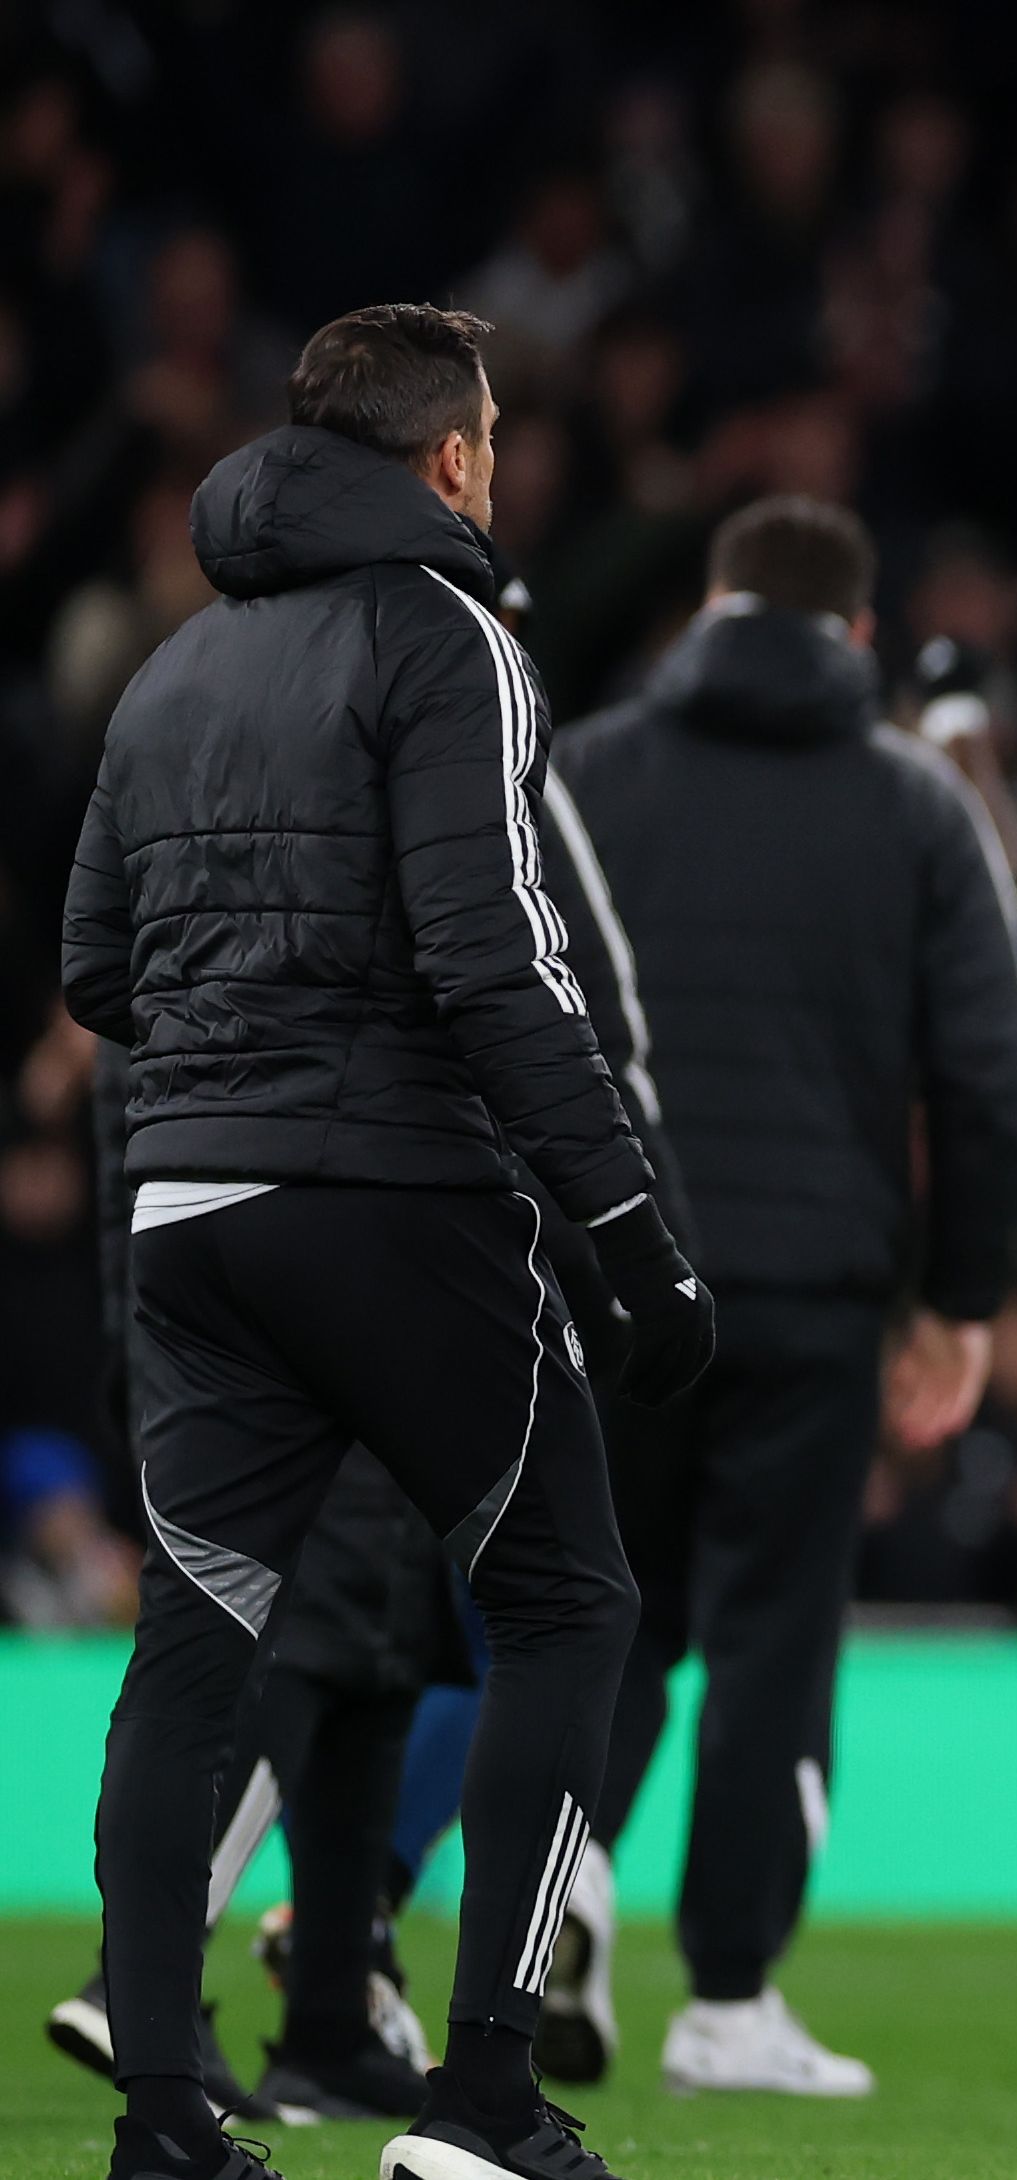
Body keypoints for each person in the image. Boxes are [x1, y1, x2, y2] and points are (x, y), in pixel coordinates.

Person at [60, 302, 715, 2180]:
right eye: (493, 436)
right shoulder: (451, 637)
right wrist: (626, 1226)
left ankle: (171, 2120)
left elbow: (97, 968)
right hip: (394, 1199)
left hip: (186, 1209)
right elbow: (494, 958)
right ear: (449, 459)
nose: (501, 465)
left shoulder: (173, 670)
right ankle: (486, 2106)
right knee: (568, 1601)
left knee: (194, 1643)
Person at [553, 494, 1017, 2096]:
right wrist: (960, 1300)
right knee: (771, 1631)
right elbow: (987, 1070)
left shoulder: (586, 775)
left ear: (708, 606)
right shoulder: (914, 806)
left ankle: (570, 1883)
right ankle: (730, 1999)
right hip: (817, 1296)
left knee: (604, 1610)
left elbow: (489, 999)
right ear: (858, 637)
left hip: (615, 1279)